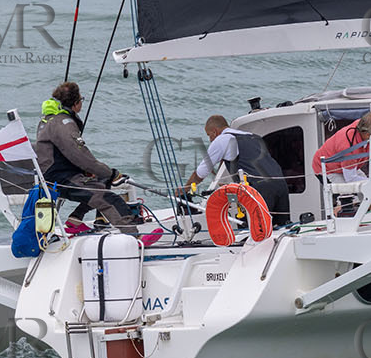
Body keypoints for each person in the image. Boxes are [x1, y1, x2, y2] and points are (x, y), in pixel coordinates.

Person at [34, 81, 156, 243]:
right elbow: (81, 157)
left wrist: (100, 174)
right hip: (61, 179)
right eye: (81, 99)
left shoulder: (49, 119)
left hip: (56, 174)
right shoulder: (63, 123)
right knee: (109, 198)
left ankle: (75, 219)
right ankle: (135, 238)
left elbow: (67, 155)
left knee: (103, 180)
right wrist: (112, 173)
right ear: (76, 103)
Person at [183, 115, 290, 224]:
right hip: (280, 184)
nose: (210, 140)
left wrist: (183, 190)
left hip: (259, 189)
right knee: (281, 229)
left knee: (254, 232)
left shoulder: (223, 139)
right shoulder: (254, 137)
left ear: (214, 132)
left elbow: (201, 173)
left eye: (209, 135)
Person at [311, 112, 371, 183]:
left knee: (368, 188)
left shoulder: (364, 124)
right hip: (327, 169)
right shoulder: (348, 148)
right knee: (347, 192)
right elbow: (350, 178)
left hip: (346, 165)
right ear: (367, 135)